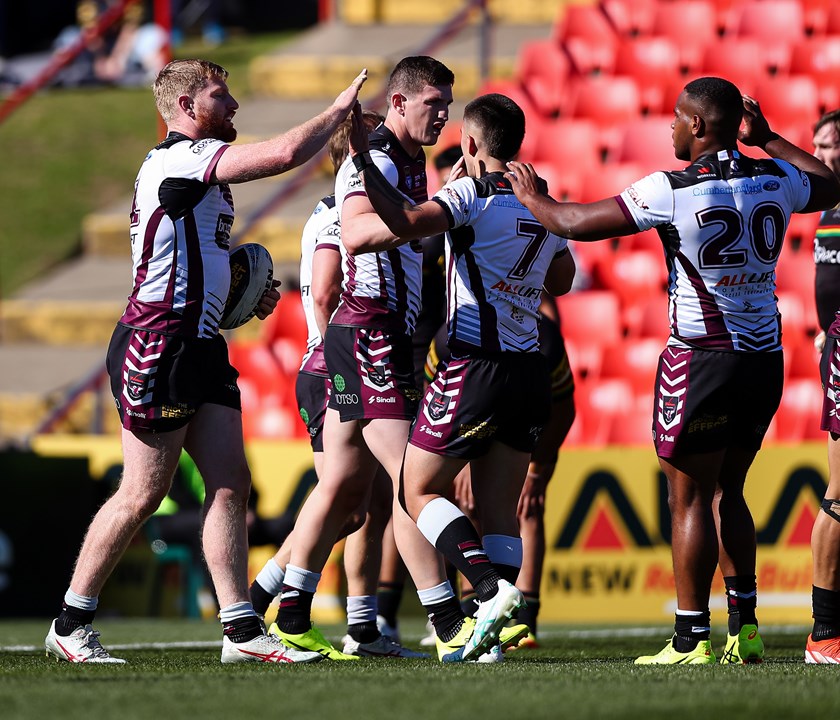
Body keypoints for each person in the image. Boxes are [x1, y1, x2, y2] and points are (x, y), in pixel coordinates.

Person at [505, 76, 840, 665]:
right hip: (763, 359)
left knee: (688, 498)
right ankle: (746, 628)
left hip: (700, 358)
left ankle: (690, 639)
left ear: (700, 127)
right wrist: (771, 140)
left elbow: (576, 222)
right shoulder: (774, 179)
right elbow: (830, 184)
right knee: (729, 492)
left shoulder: (673, 188)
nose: (671, 127)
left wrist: (533, 200)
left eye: (679, 118)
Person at [44, 58, 367, 665]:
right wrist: (336, 112)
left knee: (230, 484)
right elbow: (284, 155)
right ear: (189, 106)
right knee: (144, 491)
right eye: (223, 95)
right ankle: (71, 621)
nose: (236, 105)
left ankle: (240, 632)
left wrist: (241, 297)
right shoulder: (177, 160)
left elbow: (197, 266)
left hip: (199, 343)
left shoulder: (203, 177)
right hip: (157, 342)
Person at [349, 92, 576, 661]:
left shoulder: (470, 192)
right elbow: (565, 278)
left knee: (416, 487)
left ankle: (490, 590)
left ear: (471, 144)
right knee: (501, 510)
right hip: (531, 369)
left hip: (476, 362)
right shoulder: (541, 198)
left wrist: (360, 162)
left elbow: (403, 222)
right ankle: (491, 634)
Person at [269, 56, 471, 662]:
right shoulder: (379, 158)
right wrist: (432, 217)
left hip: (373, 337)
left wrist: (434, 209)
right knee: (413, 475)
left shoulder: (403, 163)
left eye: (447, 104)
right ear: (400, 102)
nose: (443, 115)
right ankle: (452, 616)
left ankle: (284, 611)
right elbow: (355, 234)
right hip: (368, 333)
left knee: (344, 488)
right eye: (433, 103)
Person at [248, 110, 426, 658]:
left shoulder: (346, 209)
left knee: (363, 504)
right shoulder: (334, 217)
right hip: (336, 368)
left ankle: (361, 627)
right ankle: (268, 603)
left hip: (346, 362)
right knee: (347, 498)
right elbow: (325, 292)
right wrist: (339, 359)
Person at [808, 108, 840, 663]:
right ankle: (825, 634)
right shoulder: (827, 208)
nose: (825, 154)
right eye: (819, 146)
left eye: (832, 145)